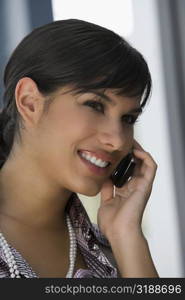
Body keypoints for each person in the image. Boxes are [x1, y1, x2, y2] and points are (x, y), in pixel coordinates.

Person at [0, 19, 158, 278]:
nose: (117, 141)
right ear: (29, 103)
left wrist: (126, 235)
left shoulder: (114, 250)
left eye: (128, 119)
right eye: (95, 105)